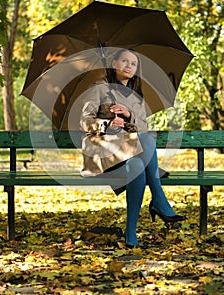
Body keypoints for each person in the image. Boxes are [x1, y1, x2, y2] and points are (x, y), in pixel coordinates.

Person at [80, 48, 186, 248]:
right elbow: (84, 121)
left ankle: (131, 235)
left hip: (129, 151)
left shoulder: (137, 97)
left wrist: (129, 116)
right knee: (145, 142)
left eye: (133, 64)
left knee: (137, 164)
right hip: (104, 149)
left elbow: (143, 128)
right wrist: (107, 123)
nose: (128, 66)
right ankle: (159, 199)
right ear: (114, 64)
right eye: (124, 61)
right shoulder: (100, 88)